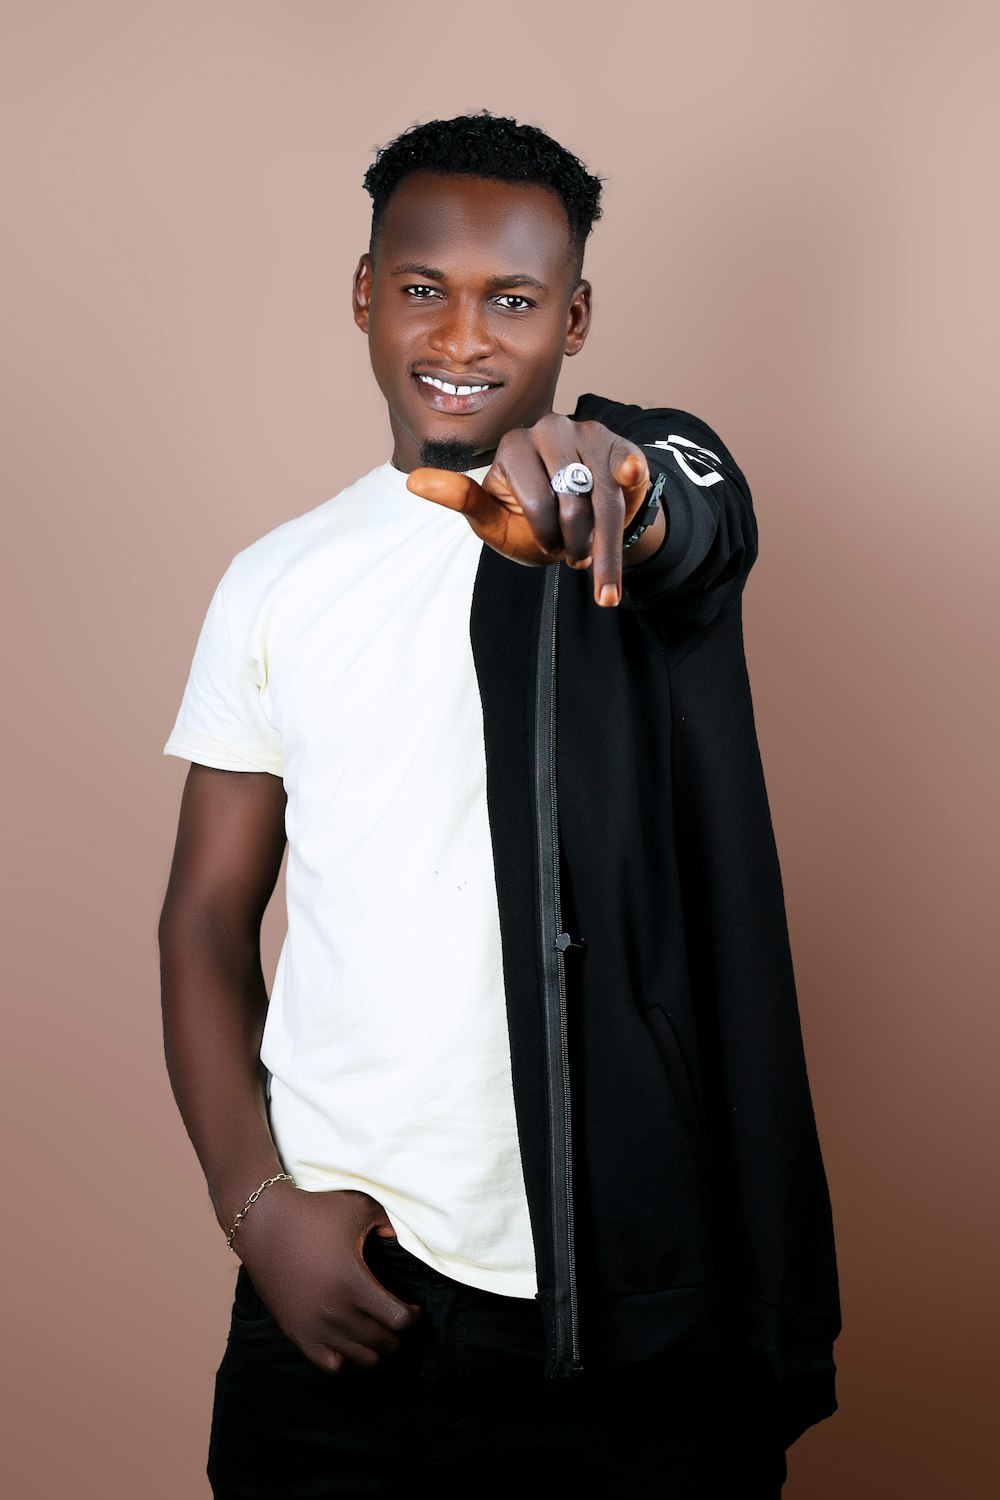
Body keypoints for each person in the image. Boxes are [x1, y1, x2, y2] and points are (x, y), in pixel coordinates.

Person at [159, 113, 840, 1497]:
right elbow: (205, 926)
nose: (462, 337)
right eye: (425, 289)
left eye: (513, 300)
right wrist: (259, 1213)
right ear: (365, 293)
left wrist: (612, 491)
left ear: (573, 316)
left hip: (626, 1335)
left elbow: (690, 506)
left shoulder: (623, 501)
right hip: (341, 1317)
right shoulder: (275, 581)